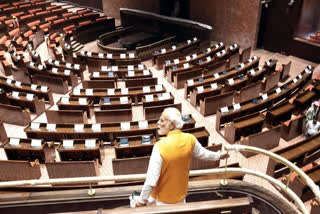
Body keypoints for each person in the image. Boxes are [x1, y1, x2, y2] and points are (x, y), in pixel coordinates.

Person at [136, 108, 229, 207]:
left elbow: (151, 180)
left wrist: (141, 201)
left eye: (162, 120)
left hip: (163, 199)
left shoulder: (159, 146)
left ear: (171, 125)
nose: (158, 123)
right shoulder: (190, 138)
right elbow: (203, 154)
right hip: (181, 195)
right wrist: (219, 155)